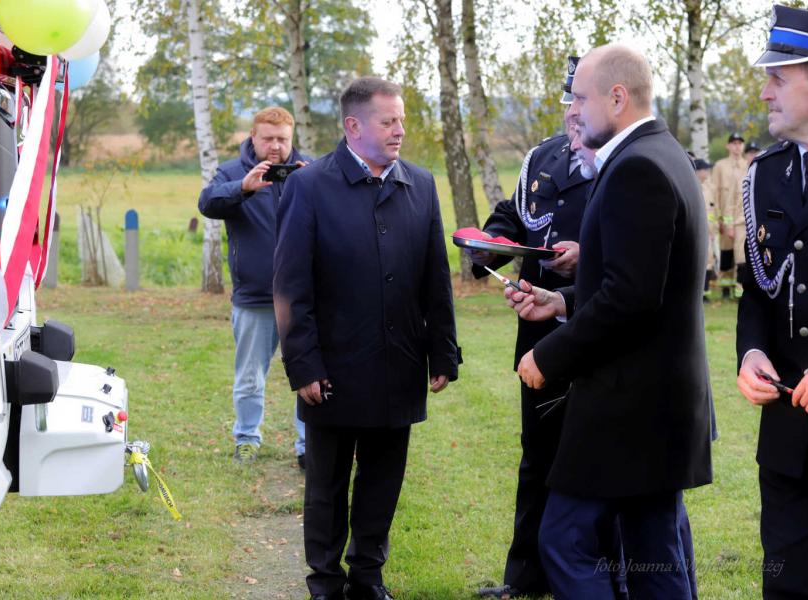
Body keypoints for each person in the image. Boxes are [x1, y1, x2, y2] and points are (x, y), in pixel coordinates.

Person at [509, 44, 712, 598]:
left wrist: (548, 355)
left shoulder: (637, 167)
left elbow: (630, 298)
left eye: (580, 98)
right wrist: (562, 301)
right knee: (654, 555)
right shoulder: (662, 152)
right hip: (658, 404)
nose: (573, 110)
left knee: (565, 540)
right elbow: (642, 280)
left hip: (632, 406)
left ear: (617, 97)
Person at [273, 76, 460, 600]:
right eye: (388, 121)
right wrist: (303, 364)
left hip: (399, 363)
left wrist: (443, 351)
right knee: (327, 485)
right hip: (332, 367)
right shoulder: (310, 186)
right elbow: (290, 286)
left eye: (402, 120)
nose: (400, 130)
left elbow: (435, 278)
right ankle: (325, 581)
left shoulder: (420, 184)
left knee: (383, 480)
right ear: (353, 126)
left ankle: (368, 576)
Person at [470, 56, 598, 599]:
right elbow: (514, 212)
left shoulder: (626, 163)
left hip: (597, 335)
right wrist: (490, 243)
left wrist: (585, 257)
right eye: (569, 101)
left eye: (581, 101)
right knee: (537, 456)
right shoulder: (542, 157)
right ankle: (524, 578)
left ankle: (593, 576)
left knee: (594, 464)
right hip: (538, 336)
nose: (572, 112)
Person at [735, 5, 808, 597]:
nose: (765, 92)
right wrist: (751, 352)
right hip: (789, 438)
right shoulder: (766, 174)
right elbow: (757, 289)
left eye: (778, 78)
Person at [197, 107, 309, 467]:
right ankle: (246, 439)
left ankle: (308, 445)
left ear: (291, 138)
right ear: (253, 137)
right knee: (249, 378)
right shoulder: (233, 172)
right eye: (268, 138)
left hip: (304, 298)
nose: (275, 146)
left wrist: (313, 184)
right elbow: (207, 203)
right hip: (254, 298)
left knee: (309, 374)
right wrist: (243, 188)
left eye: (282, 139)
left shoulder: (309, 172)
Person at [713, 132, 749, 297]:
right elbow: (714, 193)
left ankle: (739, 289)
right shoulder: (720, 166)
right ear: (728, 146)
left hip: (742, 218)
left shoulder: (748, 165)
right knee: (726, 253)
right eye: (734, 143)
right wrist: (719, 220)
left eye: (739, 143)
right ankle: (725, 288)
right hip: (724, 216)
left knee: (742, 254)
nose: (737, 146)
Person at [696, 158, 719, 300]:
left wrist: (714, 229)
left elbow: (713, 211)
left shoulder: (709, 188)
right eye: (705, 170)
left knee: (709, 261)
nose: (707, 172)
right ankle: (698, 293)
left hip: (709, 232)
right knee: (700, 262)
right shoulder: (694, 187)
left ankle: (705, 292)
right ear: (698, 171)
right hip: (698, 231)